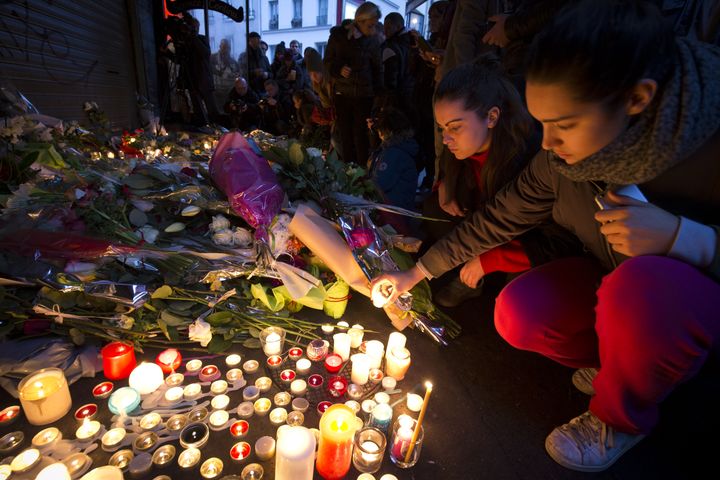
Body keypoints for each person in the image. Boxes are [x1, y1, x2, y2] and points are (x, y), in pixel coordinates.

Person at [372, 0, 720, 472]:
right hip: (609, 284)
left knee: (642, 285)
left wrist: (684, 237)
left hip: (678, 299)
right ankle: (622, 365)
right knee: (519, 312)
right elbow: (496, 219)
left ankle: (622, 417)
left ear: (637, 99)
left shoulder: (705, 148)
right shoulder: (560, 163)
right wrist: (415, 272)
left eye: (565, 124)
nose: (549, 143)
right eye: (544, 123)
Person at [424, 58, 574, 307]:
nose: (446, 138)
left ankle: (486, 279)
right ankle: (471, 276)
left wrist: (489, 259)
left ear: (492, 117)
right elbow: (450, 170)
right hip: (485, 229)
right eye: (442, 129)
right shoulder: (465, 151)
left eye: (455, 127)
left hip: (530, 244)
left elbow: (554, 240)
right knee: (433, 210)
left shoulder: (527, 157)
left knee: (519, 301)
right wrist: (445, 184)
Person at [324, 1, 384, 164]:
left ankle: (361, 172)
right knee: (345, 134)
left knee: (361, 135)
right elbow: (327, 62)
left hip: (364, 95)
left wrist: (380, 95)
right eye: (370, 26)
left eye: (375, 26)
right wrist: (339, 69)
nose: (372, 31)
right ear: (360, 21)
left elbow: (378, 68)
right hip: (342, 93)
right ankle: (348, 170)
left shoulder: (372, 41)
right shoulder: (338, 36)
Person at [367, 107, 420, 235]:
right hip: (399, 209)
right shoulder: (396, 148)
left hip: (394, 215)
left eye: (380, 130)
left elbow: (379, 184)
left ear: (387, 132)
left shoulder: (394, 154)